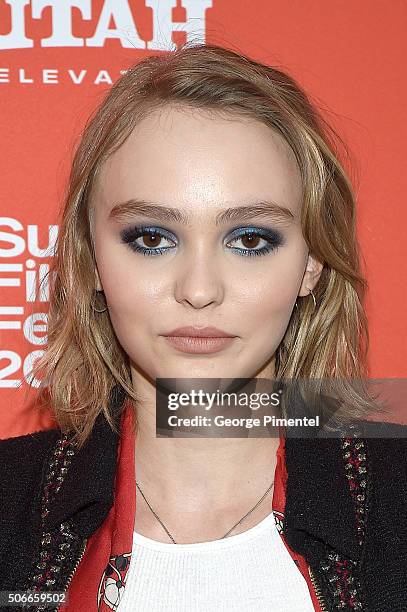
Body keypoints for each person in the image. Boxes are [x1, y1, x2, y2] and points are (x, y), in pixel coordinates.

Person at [1, 42, 406, 612]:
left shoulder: (394, 495)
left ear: (311, 263)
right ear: (90, 258)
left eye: (249, 240)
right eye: (151, 238)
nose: (198, 290)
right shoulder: (10, 502)